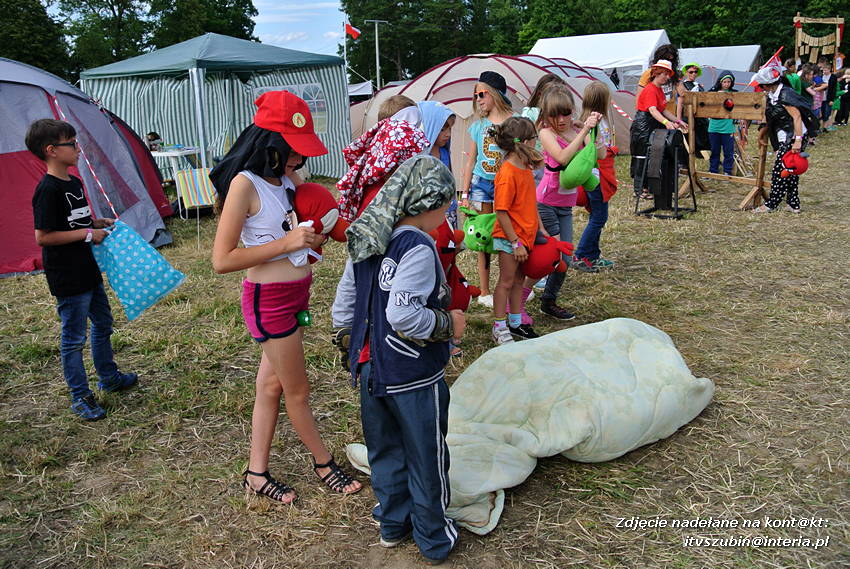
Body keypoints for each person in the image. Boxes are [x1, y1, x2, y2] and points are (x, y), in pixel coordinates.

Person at [210, 91, 361, 504]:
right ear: (271, 144)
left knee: (272, 387)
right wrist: (288, 241)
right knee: (297, 391)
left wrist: (313, 239)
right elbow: (222, 260)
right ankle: (324, 464)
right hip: (268, 301)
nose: (300, 160)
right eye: (294, 151)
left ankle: (256, 473)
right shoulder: (245, 185)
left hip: (296, 295)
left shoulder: (287, 180)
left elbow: (308, 224)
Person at [333, 155, 464, 565]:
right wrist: (448, 323)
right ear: (427, 205)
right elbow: (404, 314)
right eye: (445, 207)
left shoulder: (370, 234)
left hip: (372, 370)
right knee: (426, 454)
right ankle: (434, 537)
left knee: (385, 451)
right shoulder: (419, 246)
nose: (446, 215)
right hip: (412, 373)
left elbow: (344, 305)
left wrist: (349, 344)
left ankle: (393, 525)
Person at [26, 119, 138, 421]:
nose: (78, 148)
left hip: (87, 269)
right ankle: (80, 396)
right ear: (51, 150)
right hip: (67, 276)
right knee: (74, 338)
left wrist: (94, 224)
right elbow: (44, 236)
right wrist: (87, 235)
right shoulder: (47, 190)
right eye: (71, 143)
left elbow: (74, 222)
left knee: (103, 324)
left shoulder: (73, 183)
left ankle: (109, 377)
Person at [489, 117, 547, 345]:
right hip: (510, 239)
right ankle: (499, 326)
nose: (537, 143)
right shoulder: (508, 173)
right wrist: (515, 242)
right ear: (524, 142)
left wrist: (540, 229)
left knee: (518, 280)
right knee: (506, 281)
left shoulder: (524, 168)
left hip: (526, 237)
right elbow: (501, 211)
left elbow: (530, 204)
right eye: (534, 138)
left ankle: (515, 322)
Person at [461, 71, 515, 309]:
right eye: (475, 96)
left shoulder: (515, 121)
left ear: (495, 93)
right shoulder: (478, 126)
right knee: (483, 236)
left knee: (508, 234)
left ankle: (510, 283)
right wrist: (464, 194)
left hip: (508, 185)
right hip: (482, 185)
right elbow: (471, 161)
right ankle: (484, 291)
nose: (479, 100)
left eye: (482, 94)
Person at [533, 86, 584, 319]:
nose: (561, 120)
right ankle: (520, 301)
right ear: (546, 115)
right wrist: (584, 134)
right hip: (545, 203)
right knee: (553, 258)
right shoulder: (546, 133)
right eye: (555, 115)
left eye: (566, 114)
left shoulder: (575, 130)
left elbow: (601, 154)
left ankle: (548, 301)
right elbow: (562, 157)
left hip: (565, 205)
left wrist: (591, 132)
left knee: (566, 259)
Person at [750, 67, 810, 214]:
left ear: (768, 84)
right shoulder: (773, 94)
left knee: (780, 170)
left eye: (762, 85)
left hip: (794, 135)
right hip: (785, 135)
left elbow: (796, 117)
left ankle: (772, 203)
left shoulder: (785, 95)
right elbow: (772, 117)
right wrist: (761, 133)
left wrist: (797, 140)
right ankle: (793, 203)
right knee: (790, 169)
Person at [573, 81, 618, 271]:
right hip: (596, 177)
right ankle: (581, 254)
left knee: (597, 215)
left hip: (599, 174)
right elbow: (592, 149)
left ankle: (592, 255)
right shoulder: (592, 122)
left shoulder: (598, 120)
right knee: (599, 217)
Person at [630, 60, 688, 200]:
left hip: (652, 123)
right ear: (656, 73)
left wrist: (678, 121)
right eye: (665, 74)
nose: (667, 77)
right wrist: (666, 122)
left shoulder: (659, 90)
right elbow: (652, 110)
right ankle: (639, 190)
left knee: (651, 156)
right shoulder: (650, 89)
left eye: (668, 74)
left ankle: (648, 187)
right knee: (642, 157)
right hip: (643, 126)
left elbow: (663, 109)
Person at [418, 100, 457, 227]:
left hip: (449, 212)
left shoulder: (444, 153)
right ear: (430, 126)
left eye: (450, 129)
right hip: (429, 214)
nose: (448, 134)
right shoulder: (421, 157)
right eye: (442, 129)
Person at [707, 71, 738, 176]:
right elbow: (705, 100)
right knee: (714, 151)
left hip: (728, 127)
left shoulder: (735, 93)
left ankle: (727, 171)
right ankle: (713, 170)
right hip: (714, 126)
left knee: (728, 152)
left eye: (729, 82)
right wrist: (716, 94)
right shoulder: (713, 91)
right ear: (720, 82)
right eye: (724, 82)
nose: (726, 84)